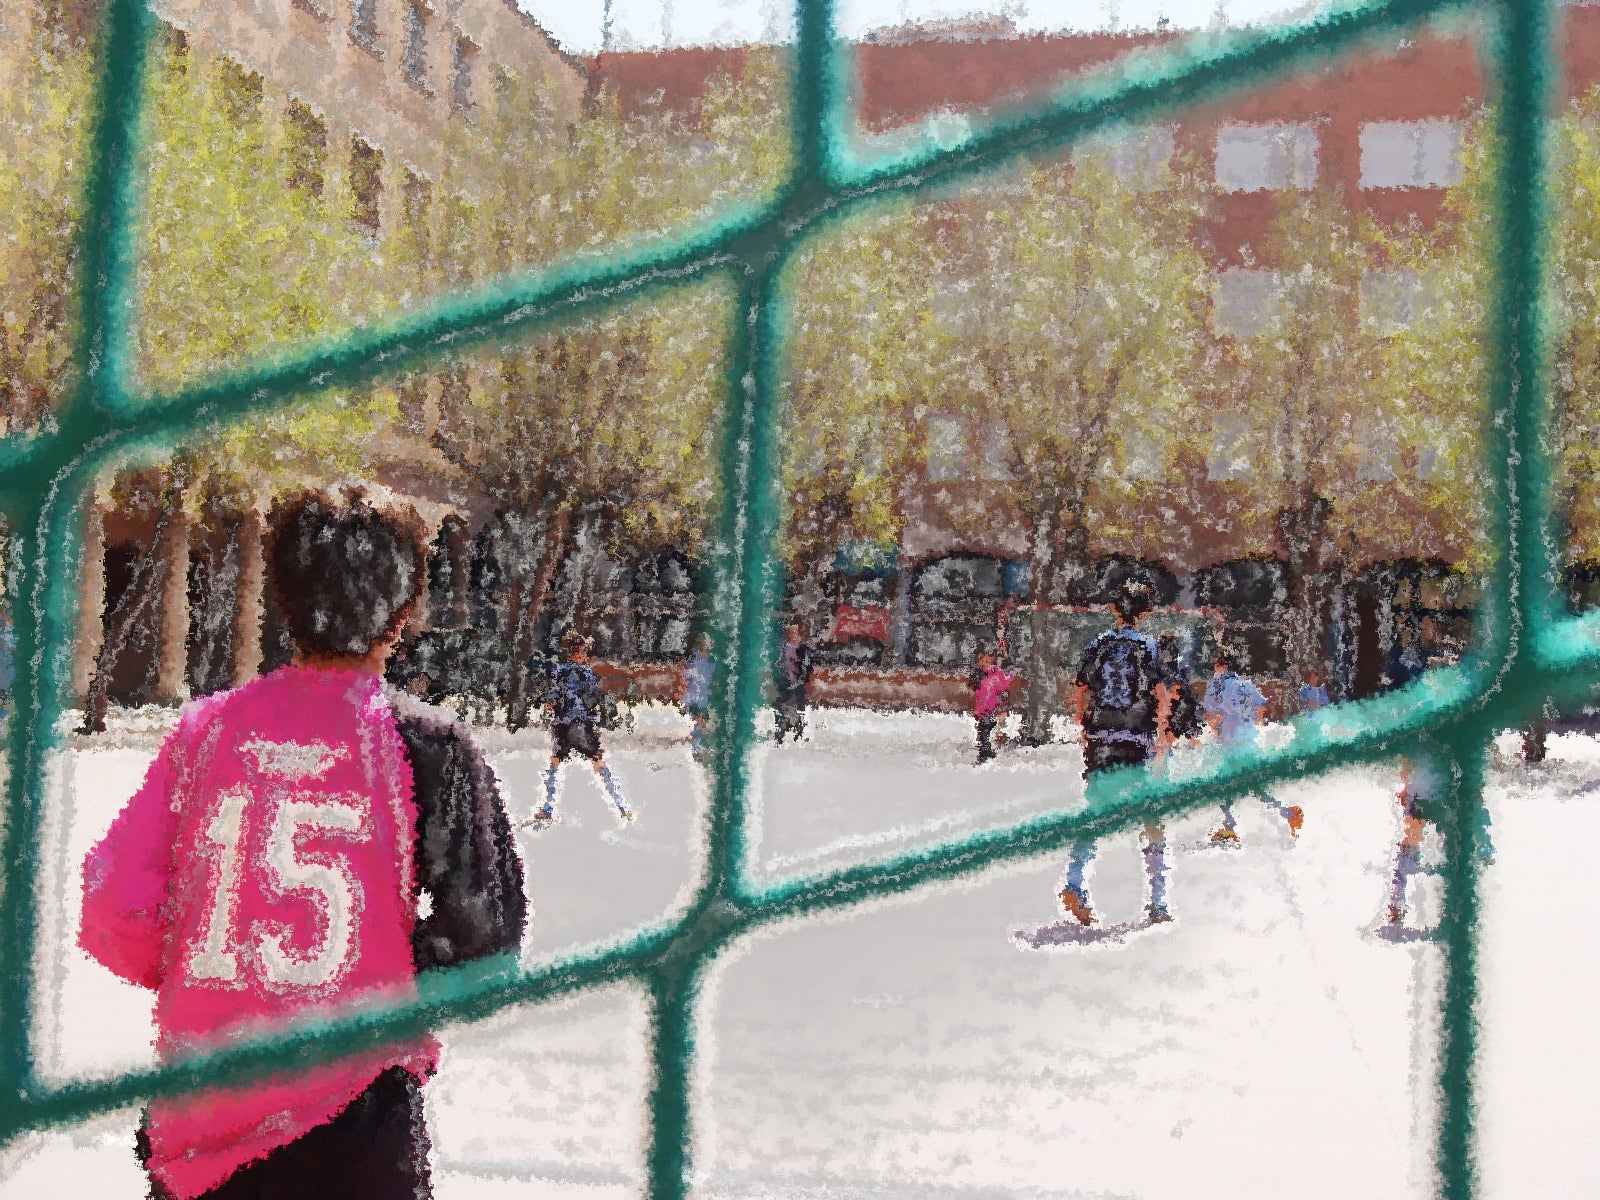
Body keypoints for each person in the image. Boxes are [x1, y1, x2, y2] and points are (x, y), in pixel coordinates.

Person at [79, 491, 527, 1200]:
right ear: (405, 609)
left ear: (281, 601)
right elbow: (484, 941)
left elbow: (113, 911)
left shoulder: (207, 732)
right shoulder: (429, 745)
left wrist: (212, 971)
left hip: (204, 1109)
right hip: (356, 1109)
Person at [1058, 581, 1172, 927]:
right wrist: (1162, 734)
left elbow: (1079, 688)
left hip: (1101, 733)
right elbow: (1161, 691)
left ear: (1114, 609)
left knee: (1096, 808)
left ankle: (1075, 881)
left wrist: (1083, 725)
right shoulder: (1148, 648)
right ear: (1146, 611)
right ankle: (1157, 901)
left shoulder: (1099, 645)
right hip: (1136, 735)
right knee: (1151, 814)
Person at [531, 631, 634, 825]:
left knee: (557, 761)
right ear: (575, 653)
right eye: (581, 652)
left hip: (564, 724)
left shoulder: (560, 670)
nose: (583, 656)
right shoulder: (588, 673)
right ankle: (623, 806)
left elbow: (551, 698)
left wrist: (552, 702)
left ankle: (548, 807)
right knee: (596, 761)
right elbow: (594, 698)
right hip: (580, 723)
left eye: (584, 652)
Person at [1204, 652, 1304, 844]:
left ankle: (1285, 814)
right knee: (1239, 783)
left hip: (1230, 738)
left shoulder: (1216, 686)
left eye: (1217, 666)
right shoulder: (1245, 684)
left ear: (1221, 667)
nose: (1215, 669)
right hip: (1248, 736)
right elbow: (1260, 709)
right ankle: (1232, 825)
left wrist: (1217, 731)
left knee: (1233, 783)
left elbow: (1211, 716)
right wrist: (1250, 724)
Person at [972, 651, 1018, 764]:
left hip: (991, 706)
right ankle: (984, 750)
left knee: (988, 726)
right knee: (985, 727)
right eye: (982, 661)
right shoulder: (979, 675)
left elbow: (1003, 684)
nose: (985, 663)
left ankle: (986, 749)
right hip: (982, 707)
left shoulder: (996, 673)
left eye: (988, 661)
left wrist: (1011, 675)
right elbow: (977, 688)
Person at [773, 624, 815, 744]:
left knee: (800, 706)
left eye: (795, 632)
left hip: (799, 681)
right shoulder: (783, 647)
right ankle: (781, 731)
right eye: (790, 632)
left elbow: (807, 667)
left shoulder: (803, 648)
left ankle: (800, 731)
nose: (792, 635)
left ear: (799, 633)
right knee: (780, 705)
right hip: (785, 680)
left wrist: (801, 680)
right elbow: (779, 662)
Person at [678, 633, 716, 760]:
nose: (708, 644)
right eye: (705, 642)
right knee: (700, 723)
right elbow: (687, 678)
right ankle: (698, 751)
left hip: (710, 697)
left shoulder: (714, 660)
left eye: (709, 642)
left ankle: (703, 750)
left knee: (706, 725)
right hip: (696, 696)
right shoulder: (694, 659)